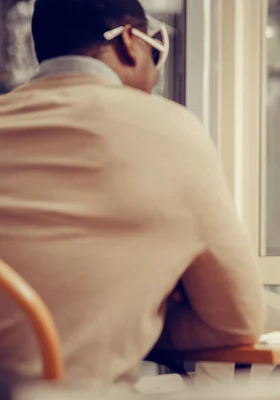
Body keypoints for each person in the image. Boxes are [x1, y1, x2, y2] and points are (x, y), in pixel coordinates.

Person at [0, 0, 264, 387]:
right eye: (154, 48)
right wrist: (137, 313)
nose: (156, 71)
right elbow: (237, 321)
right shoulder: (171, 131)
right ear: (129, 42)